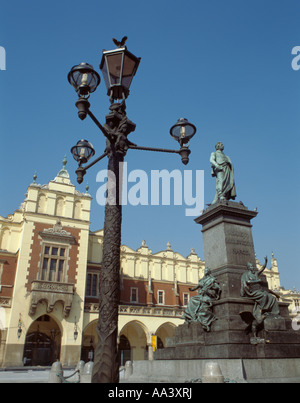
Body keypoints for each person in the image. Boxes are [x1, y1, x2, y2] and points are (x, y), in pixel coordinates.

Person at [240, 257, 281, 326]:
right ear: (248, 268)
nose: (252, 267)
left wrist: (265, 262)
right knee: (264, 295)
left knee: (272, 298)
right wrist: (257, 281)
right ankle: (262, 310)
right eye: (251, 266)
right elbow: (247, 281)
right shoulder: (246, 274)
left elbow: (262, 269)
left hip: (260, 290)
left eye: (253, 266)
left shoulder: (255, 274)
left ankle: (273, 313)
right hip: (253, 291)